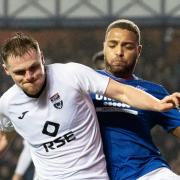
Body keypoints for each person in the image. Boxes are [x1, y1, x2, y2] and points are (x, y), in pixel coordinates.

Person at [0, 33, 180, 180]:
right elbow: (5, 137)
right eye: (20, 72)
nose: (29, 76)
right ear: (6, 70)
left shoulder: (71, 75)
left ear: (42, 58)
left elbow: (121, 92)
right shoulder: (7, 104)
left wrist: (157, 104)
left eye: (34, 67)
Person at [91, 19, 180, 180]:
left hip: (148, 172)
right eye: (112, 45)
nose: (119, 52)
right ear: (104, 47)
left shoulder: (155, 92)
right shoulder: (86, 82)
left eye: (128, 46)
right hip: (93, 174)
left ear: (138, 51)